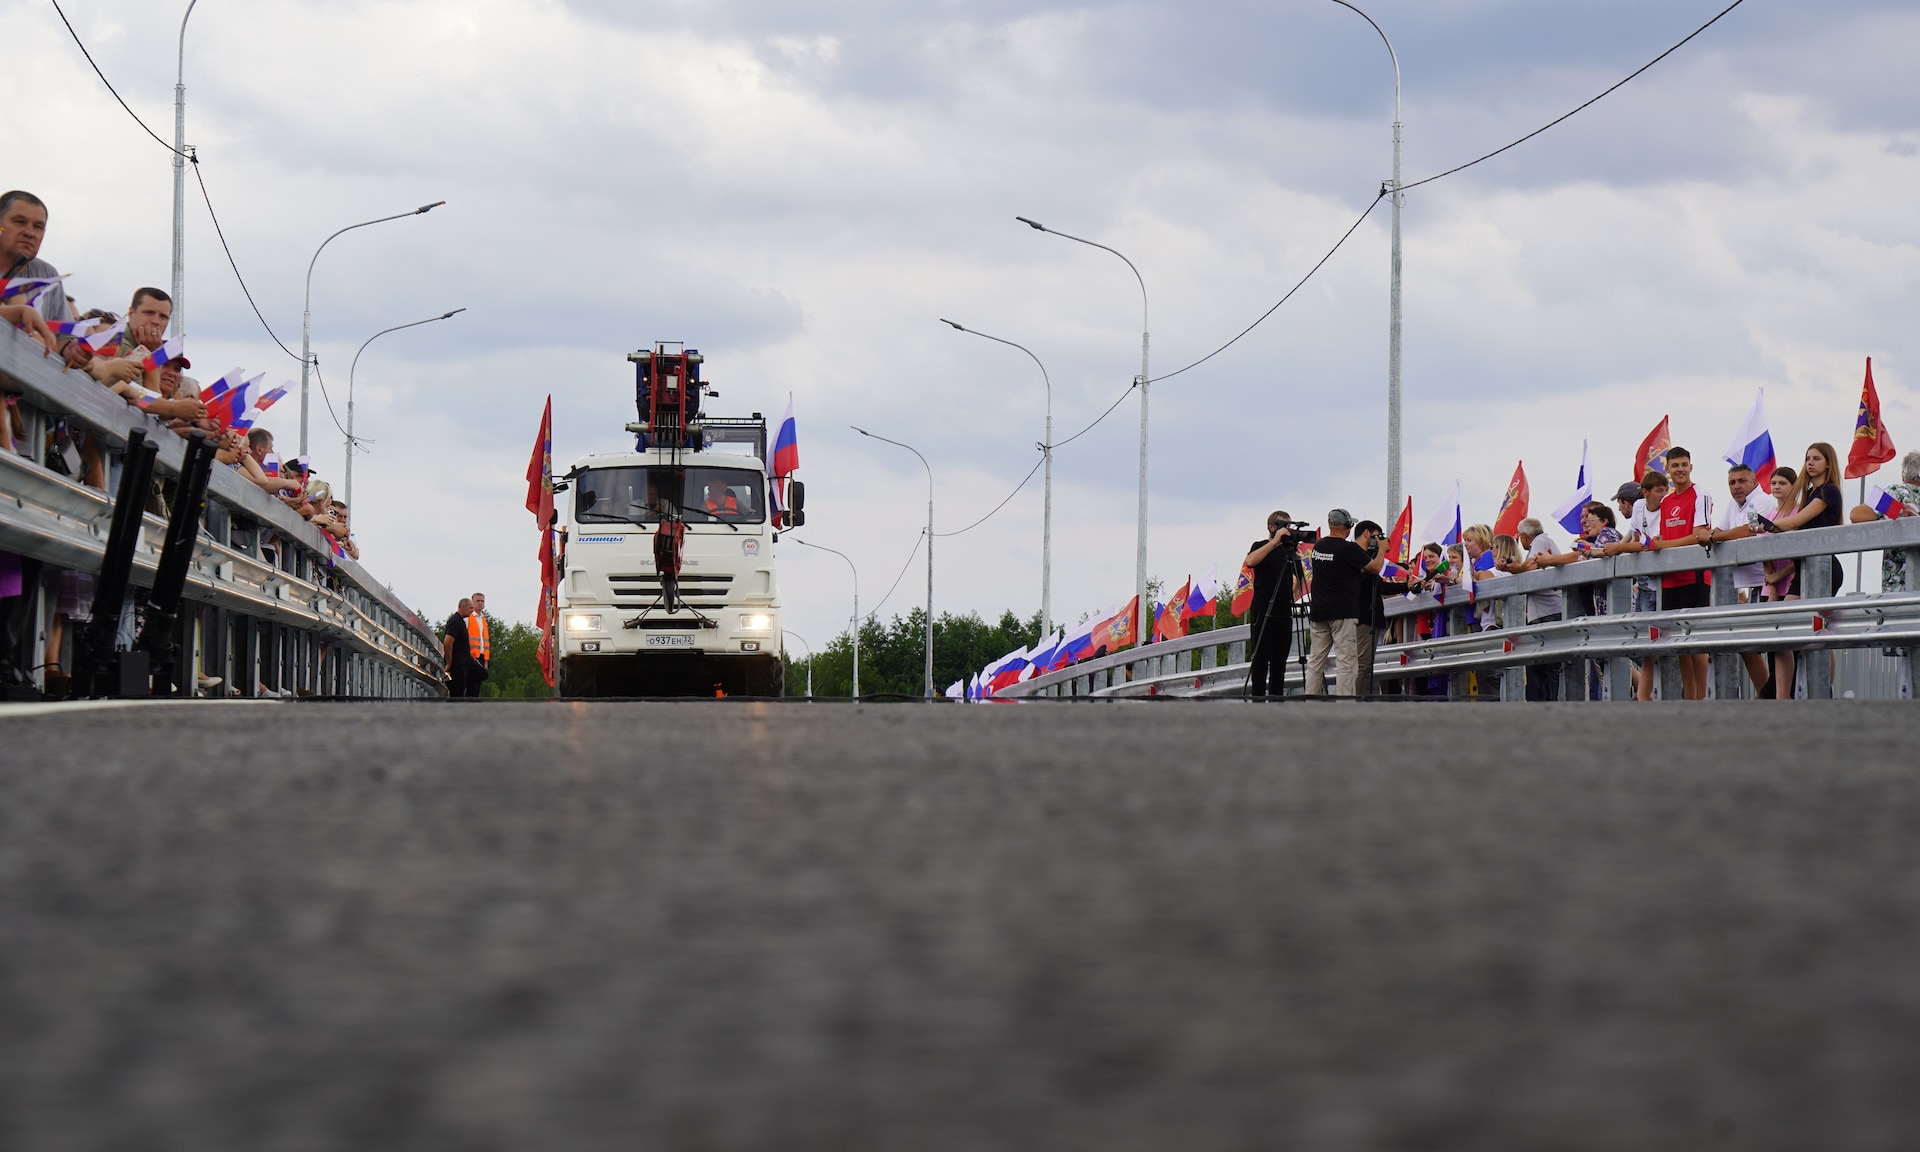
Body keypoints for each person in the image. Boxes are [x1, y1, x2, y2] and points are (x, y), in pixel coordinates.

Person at [1692, 463, 1778, 694]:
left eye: (1742, 481)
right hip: (1750, 582)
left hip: (1769, 581)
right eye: (1732, 482)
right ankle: (1766, 695)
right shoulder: (1734, 504)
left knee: (1766, 644)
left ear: (1755, 483)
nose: (1737, 486)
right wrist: (1715, 535)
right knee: (1746, 643)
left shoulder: (1761, 501)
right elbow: (1722, 530)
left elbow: (1748, 530)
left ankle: (1773, 696)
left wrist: (1712, 536)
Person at [1306, 509, 1385, 697]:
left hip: (1319, 611)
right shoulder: (1349, 549)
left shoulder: (1319, 546)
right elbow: (1374, 568)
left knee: (1315, 662)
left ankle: (1310, 700)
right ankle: (1345, 704)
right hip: (1342, 613)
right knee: (1346, 662)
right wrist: (1381, 548)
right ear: (1347, 526)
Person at [1506, 517, 1566, 700]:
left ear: (1524, 536)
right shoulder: (1543, 541)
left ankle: (1552, 704)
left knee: (1548, 666)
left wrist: (1515, 568)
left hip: (1548, 612)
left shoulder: (1540, 541)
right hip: (1545, 612)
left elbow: (1531, 567)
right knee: (1542, 666)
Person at [1243, 510, 1300, 698]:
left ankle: (1277, 701)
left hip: (1284, 611)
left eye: (1289, 526)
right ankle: (1258, 701)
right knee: (1260, 659)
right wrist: (1275, 542)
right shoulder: (1261, 545)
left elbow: (1301, 579)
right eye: (1283, 525)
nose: (1287, 529)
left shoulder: (1289, 551)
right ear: (1271, 527)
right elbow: (1250, 561)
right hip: (1263, 609)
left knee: (1279, 662)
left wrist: (1293, 595)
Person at [1851, 450, 1920, 592]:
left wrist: (1896, 510)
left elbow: (1856, 515)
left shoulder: (1897, 491)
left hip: (1899, 588)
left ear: (1903, 474)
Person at [1351, 519, 1386, 696]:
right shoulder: (1356, 555)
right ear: (1366, 533)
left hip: (1371, 617)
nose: (1378, 541)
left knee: (1366, 666)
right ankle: (1354, 702)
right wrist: (1381, 551)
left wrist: (1407, 586)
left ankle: (1361, 699)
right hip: (1364, 618)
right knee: (1362, 665)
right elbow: (1372, 573)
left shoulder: (1367, 558)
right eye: (1376, 537)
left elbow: (1380, 586)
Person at [444, 597, 478, 697]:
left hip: (465, 660)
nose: (472, 611)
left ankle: (468, 699)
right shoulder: (455, 621)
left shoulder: (461, 621)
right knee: (457, 692)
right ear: (462, 607)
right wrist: (449, 663)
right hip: (458, 663)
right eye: (470, 608)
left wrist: (472, 659)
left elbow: (463, 645)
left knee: (481, 674)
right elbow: (447, 643)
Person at [467, 591, 491, 690]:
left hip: (481, 656)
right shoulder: (468, 618)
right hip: (471, 656)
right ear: (472, 602)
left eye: (482, 601)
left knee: (477, 685)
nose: (480, 603)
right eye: (478, 601)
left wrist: (486, 660)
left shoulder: (483, 620)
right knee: (471, 685)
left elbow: (484, 641)